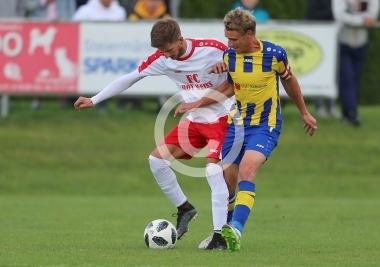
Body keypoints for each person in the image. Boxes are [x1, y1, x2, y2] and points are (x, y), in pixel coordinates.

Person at [74, 19, 233, 250]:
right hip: (195, 121)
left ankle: (219, 236)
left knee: (212, 171)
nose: (166, 56)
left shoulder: (213, 48)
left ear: (180, 40)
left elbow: (244, 63)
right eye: (161, 51)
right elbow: (130, 77)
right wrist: (94, 99)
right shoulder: (162, 58)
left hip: (223, 117)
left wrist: (227, 66)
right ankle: (185, 209)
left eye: (168, 50)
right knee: (157, 161)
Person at [174, 7, 317, 251]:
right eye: (227, 38)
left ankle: (236, 231)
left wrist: (303, 111)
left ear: (249, 34)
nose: (229, 43)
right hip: (236, 126)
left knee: (247, 170)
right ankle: (223, 237)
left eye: (233, 39)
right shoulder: (230, 56)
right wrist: (200, 102)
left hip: (265, 125)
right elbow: (230, 87)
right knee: (227, 184)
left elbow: (289, 80)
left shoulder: (274, 55)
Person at [332, 0, 380, 126]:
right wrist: (362, 20)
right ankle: (352, 113)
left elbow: (373, 13)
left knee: (355, 79)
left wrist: (362, 19)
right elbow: (340, 15)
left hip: (361, 42)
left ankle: (346, 112)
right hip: (343, 41)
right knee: (347, 78)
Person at [73, 0, 126, 113]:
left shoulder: (120, 11)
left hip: (114, 51)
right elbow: (73, 28)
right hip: (90, 52)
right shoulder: (84, 11)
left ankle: (120, 104)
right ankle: (99, 103)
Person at [305, 0, 341, 119]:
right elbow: (312, 16)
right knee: (318, 71)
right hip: (318, 37)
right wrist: (334, 12)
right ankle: (319, 107)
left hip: (331, 37)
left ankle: (331, 106)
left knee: (332, 72)